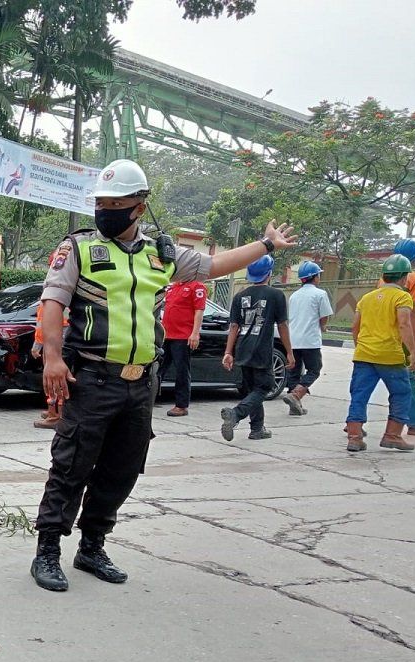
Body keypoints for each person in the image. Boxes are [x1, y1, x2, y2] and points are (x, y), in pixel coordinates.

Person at [31, 158, 298, 592]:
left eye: (115, 203)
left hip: (142, 383)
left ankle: (92, 546)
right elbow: (54, 302)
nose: (105, 210)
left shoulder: (162, 254)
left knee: (123, 468)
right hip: (93, 378)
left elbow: (214, 266)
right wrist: (53, 359)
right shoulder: (78, 248)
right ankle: (47, 551)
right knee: (71, 464)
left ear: (139, 206)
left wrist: (265, 245)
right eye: (101, 202)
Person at [345, 255, 415, 452]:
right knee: (402, 393)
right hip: (390, 356)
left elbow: (355, 327)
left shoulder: (366, 298)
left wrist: (360, 347)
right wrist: (412, 352)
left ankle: (354, 437)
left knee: (359, 395)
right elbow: (404, 324)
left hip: (363, 355)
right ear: (404, 278)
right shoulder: (402, 297)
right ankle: (392, 435)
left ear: (384, 276)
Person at [220, 256, 294, 442]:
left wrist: (228, 352)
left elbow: (234, 327)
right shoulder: (276, 295)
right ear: (269, 273)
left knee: (253, 390)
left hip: (242, 349)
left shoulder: (239, 296)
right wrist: (289, 352)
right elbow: (283, 325)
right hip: (261, 350)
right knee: (264, 387)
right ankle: (235, 414)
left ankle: (257, 429)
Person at [384, 239, 415, 434]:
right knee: (410, 378)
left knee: (372, 379)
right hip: (403, 336)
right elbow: (413, 316)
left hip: (384, 335)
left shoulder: (384, 277)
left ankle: (355, 423)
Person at [283, 261, 333, 416]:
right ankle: (297, 394)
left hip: (294, 339)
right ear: (315, 277)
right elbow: (324, 316)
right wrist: (323, 327)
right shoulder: (320, 294)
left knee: (294, 372)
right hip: (310, 339)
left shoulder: (294, 296)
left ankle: (294, 405)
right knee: (314, 369)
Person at [158, 277, 207, 416]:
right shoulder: (173, 287)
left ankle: (181, 405)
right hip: (166, 335)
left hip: (183, 336)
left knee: (182, 371)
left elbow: (199, 310)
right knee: (157, 367)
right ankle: (148, 397)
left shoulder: (196, 286)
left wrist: (195, 333)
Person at [30, 300, 62, 429]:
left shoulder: (50, 300)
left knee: (53, 381)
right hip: (65, 344)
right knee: (61, 382)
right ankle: (58, 413)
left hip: (53, 345)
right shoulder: (68, 296)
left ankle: (55, 416)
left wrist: (37, 346)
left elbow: (42, 324)